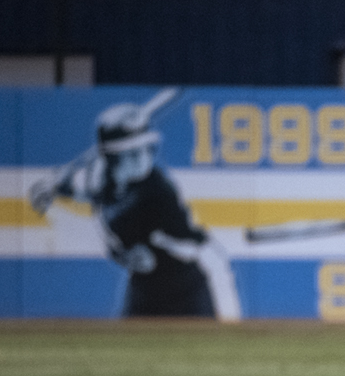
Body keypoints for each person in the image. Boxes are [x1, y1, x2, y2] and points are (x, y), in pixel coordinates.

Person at [29, 96, 240, 320]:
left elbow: (116, 207)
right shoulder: (104, 178)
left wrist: (62, 190)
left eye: (146, 149)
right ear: (112, 158)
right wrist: (60, 188)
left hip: (185, 284)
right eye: (132, 153)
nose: (143, 158)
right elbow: (99, 195)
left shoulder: (157, 189)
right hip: (145, 285)